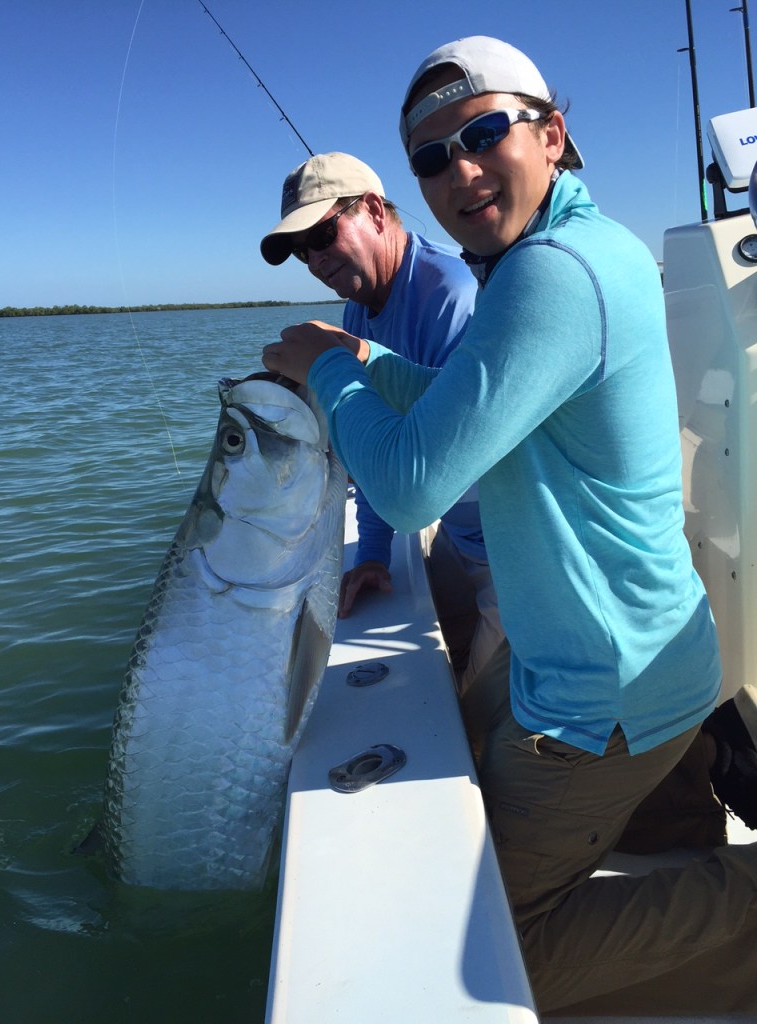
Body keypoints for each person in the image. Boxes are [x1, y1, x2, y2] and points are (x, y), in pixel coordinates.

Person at [262, 36, 757, 1014]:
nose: (461, 170)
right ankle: (680, 843)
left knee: (501, 952)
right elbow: (457, 397)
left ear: (553, 133)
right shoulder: (559, 256)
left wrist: (325, 369)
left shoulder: (551, 274)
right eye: (433, 157)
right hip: (650, 660)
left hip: (601, 699)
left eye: (483, 133)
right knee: (627, 827)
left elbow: (409, 489)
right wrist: (358, 360)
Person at [261, 151, 504, 691]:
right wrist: (372, 552)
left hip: (514, 550)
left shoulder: (453, 293)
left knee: (477, 710)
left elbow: (432, 469)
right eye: (302, 253)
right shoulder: (359, 306)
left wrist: (329, 370)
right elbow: (371, 441)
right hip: (460, 536)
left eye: (322, 236)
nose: (315, 261)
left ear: (373, 210)